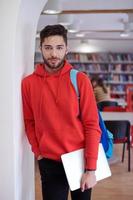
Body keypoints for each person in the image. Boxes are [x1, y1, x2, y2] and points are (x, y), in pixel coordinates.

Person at [21, 24, 101, 200]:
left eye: (59, 47)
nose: (54, 54)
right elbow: (29, 121)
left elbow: (92, 125)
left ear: (67, 49)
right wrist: (38, 152)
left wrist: (91, 168)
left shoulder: (80, 80)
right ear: (40, 47)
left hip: (79, 160)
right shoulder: (28, 84)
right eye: (48, 48)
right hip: (49, 162)